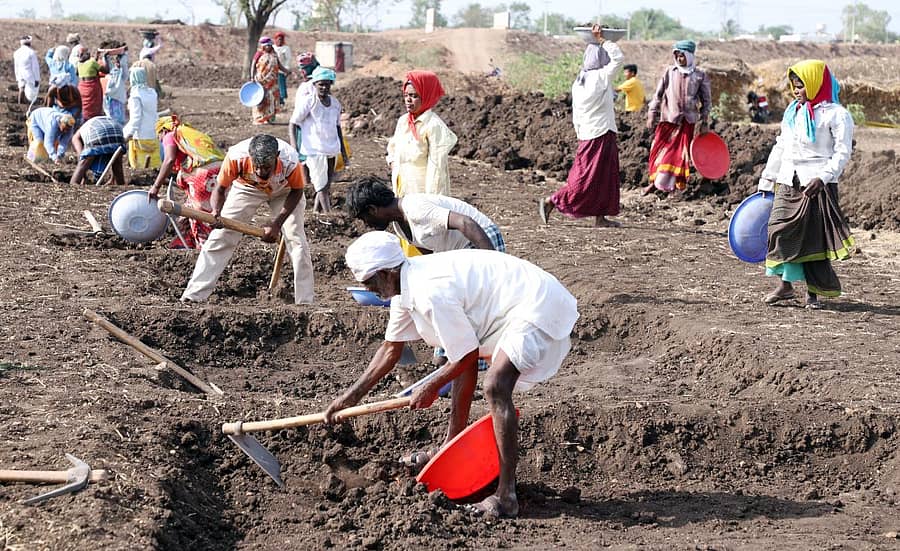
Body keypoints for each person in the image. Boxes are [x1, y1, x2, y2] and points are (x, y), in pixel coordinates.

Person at [326, 231, 579, 518]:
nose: (369, 289)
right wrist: (348, 399)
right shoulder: (404, 287)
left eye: (369, 283)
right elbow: (390, 351)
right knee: (459, 360)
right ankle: (451, 447)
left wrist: (430, 386)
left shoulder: (429, 291)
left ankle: (507, 496)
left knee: (496, 386)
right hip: (509, 308)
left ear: (385, 273)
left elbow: (466, 357)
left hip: (534, 303)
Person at [757, 60, 854, 310]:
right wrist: (768, 178)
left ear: (815, 84)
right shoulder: (793, 112)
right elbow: (781, 146)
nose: (796, 91)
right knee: (777, 230)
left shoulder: (837, 114)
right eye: (794, 86)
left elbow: (842, 152)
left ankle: (813, 293)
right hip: (789, 179)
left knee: (814, 241)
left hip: (817, 183)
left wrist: (823, 177)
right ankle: (785, 286)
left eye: (801, 86)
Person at [180, 134, 314, 304]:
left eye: (266, 167)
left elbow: (297, 191)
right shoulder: (236, 157)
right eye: (257, 166)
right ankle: (194, 296)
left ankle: (305, 302)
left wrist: (277, 224)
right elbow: (220, 189)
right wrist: (216, 211)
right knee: (221, 237)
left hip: (285, 191)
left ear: (277, 156)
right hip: (247, 188)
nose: (261, 172)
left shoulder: (290, 160)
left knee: (296, 239)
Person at [540, 25, 623, 229]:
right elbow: (618, 58)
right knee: (586, 178)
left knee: (604, 177)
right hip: (599, 134)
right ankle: (553, 200)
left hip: (590, 133)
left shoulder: (580, 80)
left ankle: (600, 218)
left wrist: (580, 131)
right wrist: (602, 39)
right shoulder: (599, 77)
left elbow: (576, 112)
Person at [346, 176, 504, 254]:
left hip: (481, 239)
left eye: (363, 218)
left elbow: (466, 223)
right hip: (458, 251)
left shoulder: (415, 209)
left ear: (373, 209)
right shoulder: (398, 225)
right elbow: (428, 256)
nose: (366, 224)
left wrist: (493, 264)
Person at [644, 39, 711, 196]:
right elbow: (658, 95)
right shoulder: (669, 72)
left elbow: (706, 101)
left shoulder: (700, 75)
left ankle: (669, 186)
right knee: (659, 150)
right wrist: (651, 113)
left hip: (687, 121)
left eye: (683, 56)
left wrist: (704, 120)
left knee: (678, 154)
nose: (680, 59)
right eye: (677, 56)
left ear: (690, 56)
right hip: (668, 119)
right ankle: (654, 182)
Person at [149, 115, 225, 249]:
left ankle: (204, 249)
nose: (161, 141)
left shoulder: (170, 134)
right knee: (193, 210)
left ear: (163, 130)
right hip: (221, 171)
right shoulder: (189, 134)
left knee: (200, 216)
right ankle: (186, 242)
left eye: (159, 137)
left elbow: (169, 160)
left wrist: (156, 186)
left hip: (203, 175)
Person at [386, 70, 457, 198]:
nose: (408, 100)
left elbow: (437, 170)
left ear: (426, 96)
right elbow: (392, 148)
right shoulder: (403, 121)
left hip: (422, 195)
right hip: (402, 191)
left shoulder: (434, 126)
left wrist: (431, 202)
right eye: (406, 95)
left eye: (414, 96)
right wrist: (394, 165)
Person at [289, 67, 347, 213]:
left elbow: (338, 128)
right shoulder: (309, 102)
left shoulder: (335, 103)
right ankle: (329, 214)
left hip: (331, 149)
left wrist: (343, 152)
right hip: (314, 150)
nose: (324, 87)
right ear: (314, 84)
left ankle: (316, 212)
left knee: (326, 185)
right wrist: (294, 146)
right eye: (321, 84)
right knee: (320, 185)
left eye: (327, 84)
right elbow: (293, 123)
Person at [69, 115, 126, 186]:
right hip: (117, 130)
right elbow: (113, 159)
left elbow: (81, 156)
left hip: (97, 132)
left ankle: (74, 184)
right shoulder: (87, 126)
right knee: (117, 160)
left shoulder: (76, 136)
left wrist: (83, 174)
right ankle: (121, 184)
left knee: (84, 162)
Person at [123, 67, 160, 170]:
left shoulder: (135, 96)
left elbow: (136, 118)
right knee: (154, 166)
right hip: (153, 134)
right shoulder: (152, 93)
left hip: (140, 137)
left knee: (139, 168)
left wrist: (127, 134)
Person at [250, 37, 284, 125]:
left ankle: (270, 118)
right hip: (261, 81)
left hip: (272, 82)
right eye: (266, 46)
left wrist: (287, 71)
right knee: (262, 99)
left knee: (272, 99)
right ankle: (260, 118)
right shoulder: (259, 54)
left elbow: (279, 65)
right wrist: (252, 76)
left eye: (270, 45)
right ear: (263, 46)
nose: (268, 47)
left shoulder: (274, 54)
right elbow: (253, 65)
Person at [100, 44, 129, 126]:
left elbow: (124, 66)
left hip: (117, 100)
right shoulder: (114, 73)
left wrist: (123, 55)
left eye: (118, 60)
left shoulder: (121, 75)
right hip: (111, 100)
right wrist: (106, 57)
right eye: (116, 60)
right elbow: (109, 67)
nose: (117, 62)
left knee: (117, 122)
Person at [77, 48, 106, 121]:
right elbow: (106, 70)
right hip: (92, 89)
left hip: (82, 88)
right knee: (93, 107)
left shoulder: (79, 64)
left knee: (85, 106)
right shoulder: (92, 63)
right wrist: (106, 57)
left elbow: (88, 66)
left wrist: (96, 57)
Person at [14, 35, 41, 105]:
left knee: (21, 88)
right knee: (30, 93)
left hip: (20, 73)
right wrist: (37, 79)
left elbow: (16, 66)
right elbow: (35, 67)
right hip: (29, 74)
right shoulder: (31, 52)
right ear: (30, 43)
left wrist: (17, 75)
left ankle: (20, 104)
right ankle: (28, 105)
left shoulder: (16, 52)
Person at [273, 31, 292, 108]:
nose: (279, 41)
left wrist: (286, 70)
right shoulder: (272, 47)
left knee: (280, 87)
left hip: (281, 70)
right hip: (272, 71)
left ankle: (281, 102)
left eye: (281, 39)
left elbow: (288, 60)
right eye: (278, 39)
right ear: (275, 39)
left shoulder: (286, 48)